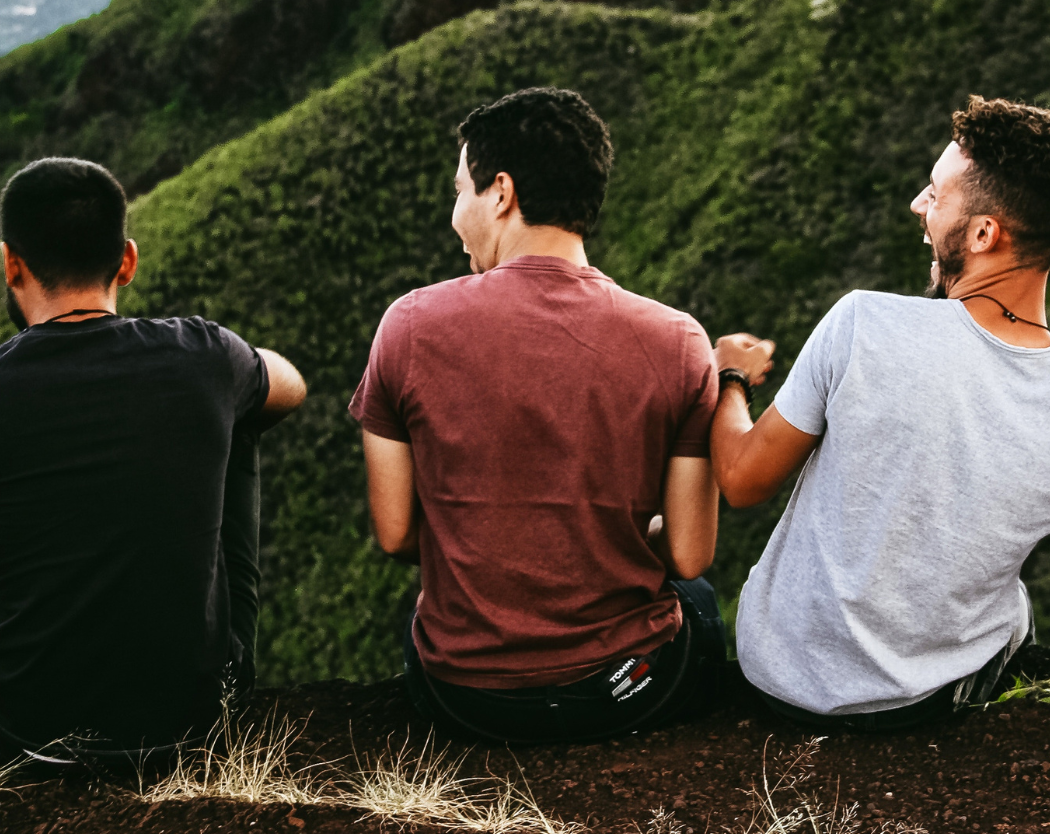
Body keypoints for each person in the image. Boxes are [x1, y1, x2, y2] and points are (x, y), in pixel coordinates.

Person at [350, 86, 765, 744]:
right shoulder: (678, 340)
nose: (456, 213)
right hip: (624, 692)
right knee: (702, 604)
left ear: (502, 193)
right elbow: (688, 554)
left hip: (464, 697)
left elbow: (398, 535)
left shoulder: (408, 326)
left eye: (461, 191)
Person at [711, 95, 1050, 731]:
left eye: (934, 192)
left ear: (983, 234)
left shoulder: (863, 322)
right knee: (1015, 606)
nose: (918, 206)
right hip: (925, 701)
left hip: (780, 681)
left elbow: (741, 480)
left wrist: (729, 378)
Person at [0, 157, 307, 762]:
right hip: (191, 719)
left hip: (25, 726)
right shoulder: (203, 354)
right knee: (241, 413)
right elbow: (291, 387)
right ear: (128, 260)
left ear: (11, 263)